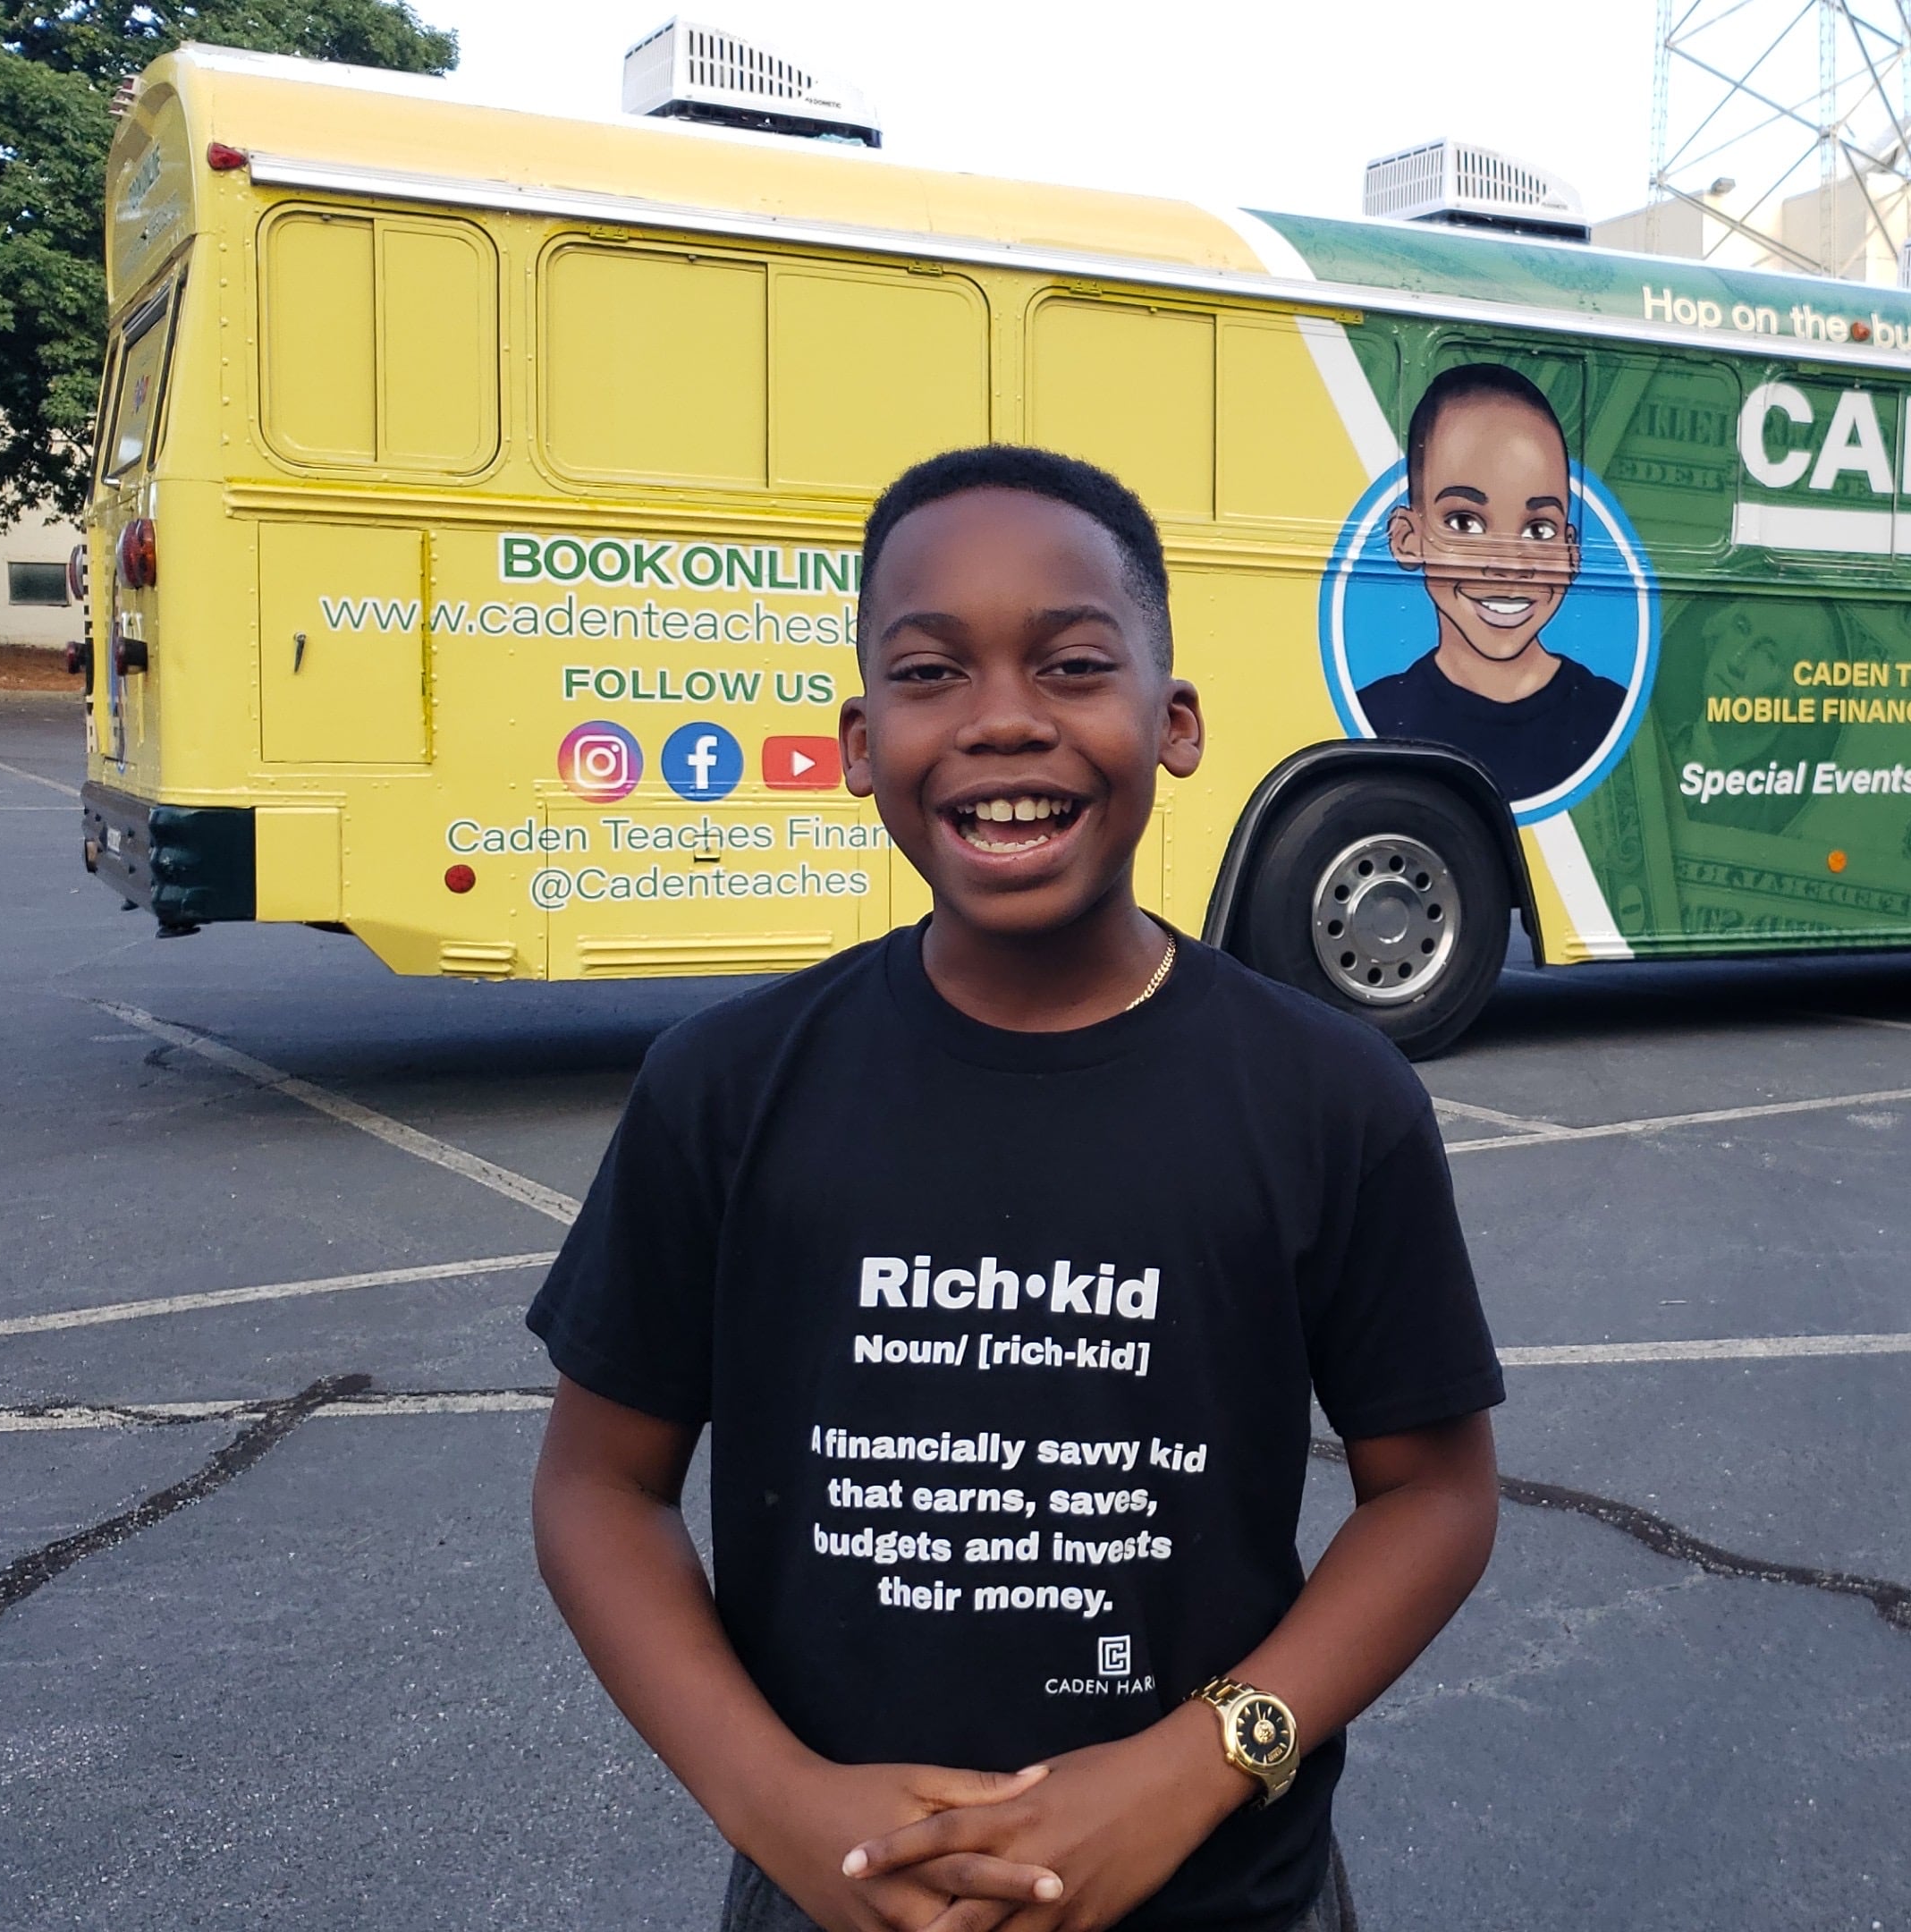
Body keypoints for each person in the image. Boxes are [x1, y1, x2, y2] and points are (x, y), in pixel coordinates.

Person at [528, 445, 1505, 1932]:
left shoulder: (1328, 1097)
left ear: (1170, 725)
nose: (1002, 721)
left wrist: (1192, 1770)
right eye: (930, 674)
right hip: (842, 1895)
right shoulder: (726, 1089)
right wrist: (779, 1807)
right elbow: (599, 1487)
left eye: (1071, 664)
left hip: (1224, 1893)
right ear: (860, 742)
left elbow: (1432, 1497)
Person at [1355, 363, 1630, 803]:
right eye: (1464, 522)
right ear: (1407, 539)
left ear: (1572, 552)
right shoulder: (1377, 715)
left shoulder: (1609, 714)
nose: (1508, 564)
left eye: (1539, 529)